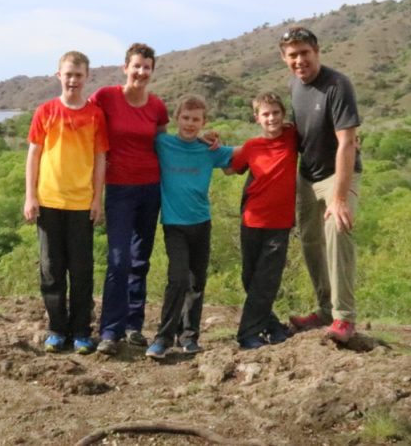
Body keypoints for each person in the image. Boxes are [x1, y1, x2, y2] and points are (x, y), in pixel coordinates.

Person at [279, 26, 362, 344]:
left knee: (337, 233)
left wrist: (339, 197)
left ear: (317, 51)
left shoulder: (337, 85)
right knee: (311, 242)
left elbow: (347, 142)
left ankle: (344, 318)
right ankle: (324, 310)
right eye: (293, 55)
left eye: (304, 53)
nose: (299, 60)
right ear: (284, 58)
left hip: (338, 175)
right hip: (307, 175)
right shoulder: (294, 86)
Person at [23, 51, 108, 354]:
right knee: (51, 269)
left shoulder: (96, 114)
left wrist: (97, 199)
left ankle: (82, 331)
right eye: (68, 74)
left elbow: (100, 159)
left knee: (82, 270)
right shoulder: (45, 111)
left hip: (81, 203)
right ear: (59, 75)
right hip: (48, 201)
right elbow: (34, 154)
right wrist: (30, 195)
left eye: (79, 75)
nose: (73, 80)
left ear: (87, 77)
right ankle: (57, 329)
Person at [90, 43, 170, 355]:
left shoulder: (157, 107)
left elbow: (165, 145)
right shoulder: (105, 97)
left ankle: (134, 326)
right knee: (119, 260)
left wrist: (203, 143)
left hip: (151, 188)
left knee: (140, 260)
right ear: (126, 67)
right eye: (136, 66)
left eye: (147, 67)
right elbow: (89, 129)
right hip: (119, 189)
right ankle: (110, 330)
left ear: (152, 70)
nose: (141, 72)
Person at [145, 94, 233, 359]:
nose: (190, 124)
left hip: (202, 223)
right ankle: (162, 338)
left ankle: (189, 337)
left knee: (197, 282)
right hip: (174, 224)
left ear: (204, 122)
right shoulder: (163, 143)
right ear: (176, 118)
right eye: (185, 118)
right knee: (178, 278)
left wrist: (220, 141)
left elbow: (237, 162)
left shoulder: (209, 150)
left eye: (196, 119)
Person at [228, 92, 297, 350]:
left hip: (279, 222)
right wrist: (209, 143)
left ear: (283, 114)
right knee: (250, 278)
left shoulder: (292, 136)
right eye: (266, 114)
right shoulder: (251, 146)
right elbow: (230, 167)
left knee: (267, 279)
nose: (272, 118)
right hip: (252, 219)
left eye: (276, 113)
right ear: (257, 117)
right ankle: (273, 327)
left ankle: (247, 334)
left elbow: (318, 134)